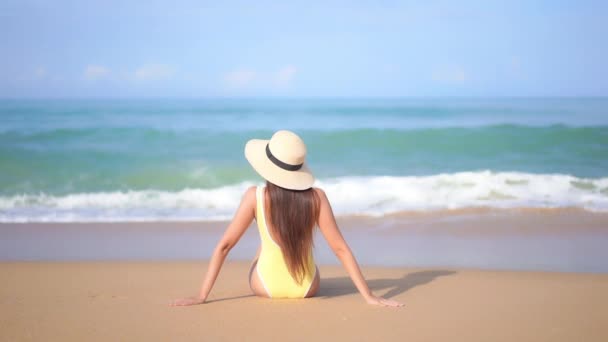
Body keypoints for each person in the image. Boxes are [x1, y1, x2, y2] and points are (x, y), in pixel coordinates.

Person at [171, 130, 403, 307]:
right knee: (300, 252)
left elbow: (225, 246)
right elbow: (340, 248)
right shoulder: (317, 198)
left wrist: (202, 295)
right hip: (308, 288)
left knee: (264, 246)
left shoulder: (255, 196)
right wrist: (369, 296)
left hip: (265, 286)